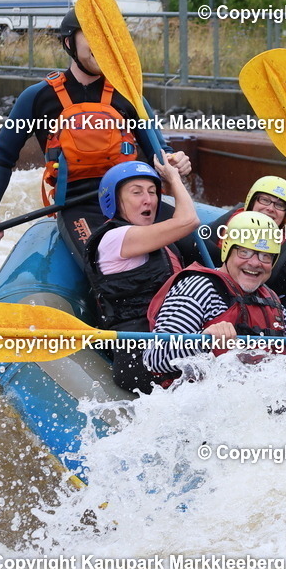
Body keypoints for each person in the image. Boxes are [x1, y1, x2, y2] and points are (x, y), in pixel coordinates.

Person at [0, 6, 191, 262]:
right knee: (112, 263)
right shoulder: (38, 98)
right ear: (69, 43)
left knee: (195, 247)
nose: (102, 45)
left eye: (107, 38)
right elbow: (2, 156)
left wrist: (175, 160)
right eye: (92, 36)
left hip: (132, 200)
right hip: (76, 206)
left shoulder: (129, 96)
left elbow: (159, 152)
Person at [85, 158, 199, 393]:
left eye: (152, 192)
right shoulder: (115, 239)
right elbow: (189, 220)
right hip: (140, 358)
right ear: (114, 201)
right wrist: (174, 178)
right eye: (137, 193)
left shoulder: (162, 243)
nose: (148, 199)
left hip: (168, 347)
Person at [144, 212, 286, 381]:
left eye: (265, 255)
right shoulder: (199, 288)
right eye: (244, 252)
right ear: (228, 251)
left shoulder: (269, 295)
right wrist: (203, 341)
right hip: (200, 398)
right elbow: (154, 358)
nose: (255, 262)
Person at [201, 176, 286, 310]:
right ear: (251, 203)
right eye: (265, 200)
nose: (270, 208)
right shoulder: (218, 229)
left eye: (279, 205)